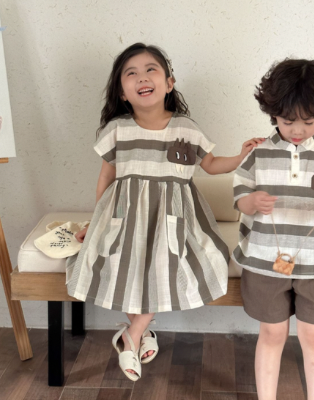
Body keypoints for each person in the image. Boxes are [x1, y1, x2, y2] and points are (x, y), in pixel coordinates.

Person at [66, 42, 264, 381]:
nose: (142, 78)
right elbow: (106, 178)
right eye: (131, 73)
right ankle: (140, 333)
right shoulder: (117, 130)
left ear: (169, 83)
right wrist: (95, 222)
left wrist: (241, 155)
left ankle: (130, 336)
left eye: (150, 70)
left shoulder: (186, 128)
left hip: (174, 220)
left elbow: (211, 165)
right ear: (122, 92)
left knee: (165, 263)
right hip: (125, 219)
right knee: (121, 265)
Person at [232, 59, 314, 400]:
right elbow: (240, 200)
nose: (297, 130)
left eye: (308, 121)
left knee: (313, 335)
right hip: (265, 260)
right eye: (287, 120)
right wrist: (253, 201)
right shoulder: (259, 154)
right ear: (273, 113)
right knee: (272, 334)